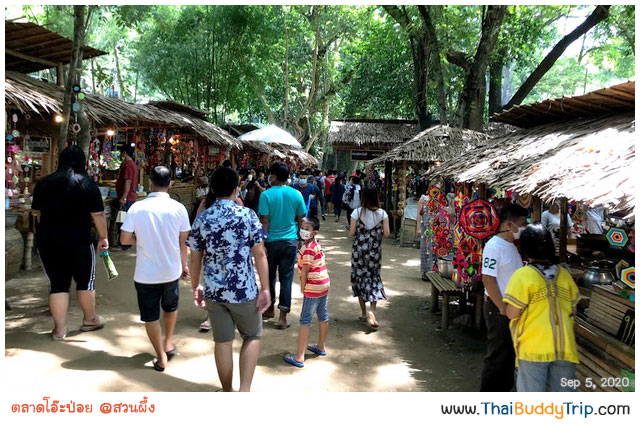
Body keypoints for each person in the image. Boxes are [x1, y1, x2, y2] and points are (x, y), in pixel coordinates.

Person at [187, 166, 270, 392]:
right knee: (252, 336)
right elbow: (260, 254)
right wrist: (265, 288)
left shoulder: (203, 218)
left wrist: (196, 286)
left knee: (222, 341)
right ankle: (244, 391)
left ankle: (227, 391)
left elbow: (195, 258)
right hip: (243, 290)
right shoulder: (248, 215)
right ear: (236, 189)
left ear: (213, 189)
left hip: (214, 290)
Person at [31, 145, 108, 340]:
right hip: (79, 240)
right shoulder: (87, 184)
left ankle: (59, 330)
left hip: (48, 241)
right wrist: (103, 237)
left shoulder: (44, 183)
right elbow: (98, 215)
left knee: (58, 284)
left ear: (60, 161)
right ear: (82, 162)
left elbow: (37, 213)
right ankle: (89, 319)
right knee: (85, 282)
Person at [120, 166, 191, 372]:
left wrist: (140, 239)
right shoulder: (179, 208)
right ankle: (168, 342)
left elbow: (124, 239)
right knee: (170, 307)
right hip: (171, 271)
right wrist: (184, 265)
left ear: (150, 182)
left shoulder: (137, 208)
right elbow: (183, 242)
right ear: (171, 184)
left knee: (150, 316)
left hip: (146, 274)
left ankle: (161, 356)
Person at [503, 223, 580, 392]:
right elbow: (573, 310)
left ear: (524, 249)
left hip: (533, 348)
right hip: (565, 348)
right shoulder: (564, 275)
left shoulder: (522, 276)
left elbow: (512, 313)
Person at [480, 203, 529, 391]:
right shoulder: (494, 246)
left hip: (511, 309)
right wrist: (502, 308)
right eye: (522, 224)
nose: (524, 228)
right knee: (497, 355)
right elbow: (488, 279)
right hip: (498, 308)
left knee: (509, 355)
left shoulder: (512, 246)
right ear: (509, 224)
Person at [259, 162, 307, 329]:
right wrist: (301, 240)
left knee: (270, 276)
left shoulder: (266, 195)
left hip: (271, 242)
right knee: (286, 279)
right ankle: (282, 318)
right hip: (290, 242)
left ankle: (269, 309)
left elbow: (264, 221)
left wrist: (262, 243)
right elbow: (301, 219)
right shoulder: (296, 194)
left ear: (273, 176)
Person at [283, 217, 330, 368]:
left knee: (305, 320)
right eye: (302, 227)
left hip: (313, 287)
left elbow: (305, 270)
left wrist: (303, 288)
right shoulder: (316, 244)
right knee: (323, 315)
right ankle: (321, 346)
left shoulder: (308, 248)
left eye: (307, 229)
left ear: (314, 232)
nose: (303, 231)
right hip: (323, 285)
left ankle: (299, 356)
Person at [349, 188, 391, 329]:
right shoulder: (383, 214)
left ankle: (363, 313)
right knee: (373, 278)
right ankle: (372, 311)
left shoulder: (357, 212)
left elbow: (352, 233)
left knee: (359, 278)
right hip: (374, 252)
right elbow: (387, 234)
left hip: (359, 252)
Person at [115, 142, 138, 250]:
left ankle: (124, 244)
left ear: (124, 153)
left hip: (128, 198)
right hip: (130, 197)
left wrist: (124, 197)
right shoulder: (132, 164)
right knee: (126, 221)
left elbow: (127, 182)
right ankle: (124, 243)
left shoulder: (128, 165)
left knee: (124, 222)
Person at [416, 188, 436, 281]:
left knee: (434, 250)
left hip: (436, 229)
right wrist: (418, 228)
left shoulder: (440, 200)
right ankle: (425, 272)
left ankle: (433, 271)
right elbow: (419, 215)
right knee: (425, 249)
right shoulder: (423, 199)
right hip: (425, 228)